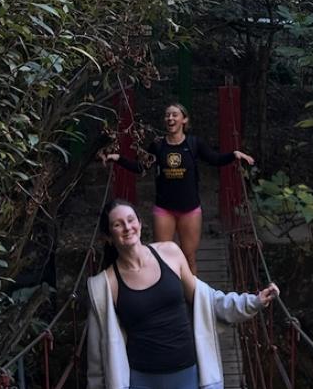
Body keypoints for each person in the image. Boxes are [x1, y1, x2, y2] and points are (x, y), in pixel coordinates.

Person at [85, 200, 279, 389]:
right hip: (139, 384)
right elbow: (97, 355)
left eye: (131, 220)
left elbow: (207, 300)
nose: (127, 227)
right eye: (117, 224)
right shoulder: (104, 285)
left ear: (141, 224)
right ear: (108, 236)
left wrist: (252, 302)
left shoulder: (170, 254)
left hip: (184, 379)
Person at [102, 103, 255, 274]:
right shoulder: (158, 145)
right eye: (167, 115)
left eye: (175, 115)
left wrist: (234, 155)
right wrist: (118, 158)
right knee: (161, 258)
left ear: (184, 119)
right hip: (164, 209)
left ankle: (193, 299)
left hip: (190, 209)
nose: (170, 118)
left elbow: (215, 159)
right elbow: (141, 167)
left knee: (189, 257)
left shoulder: (194, 143)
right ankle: (168, 297)